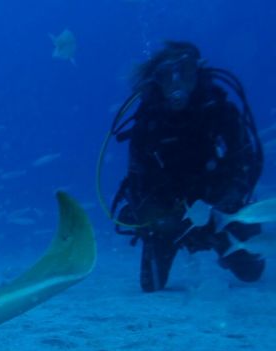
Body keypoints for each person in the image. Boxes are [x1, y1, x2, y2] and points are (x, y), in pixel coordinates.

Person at [108, 41, 265, 292]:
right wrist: (159, 217)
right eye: (165, 75)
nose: (176, 82)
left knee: (251, 273)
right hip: (169, 213)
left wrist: (226, 204)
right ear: (156, 80)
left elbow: (244, 162)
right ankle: (172, 237)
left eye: (185, 71)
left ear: (198, 73)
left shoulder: (220, 110)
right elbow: (137, 180)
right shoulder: (148, 120)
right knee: (151, 285)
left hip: (219, 208)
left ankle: (225, 239)